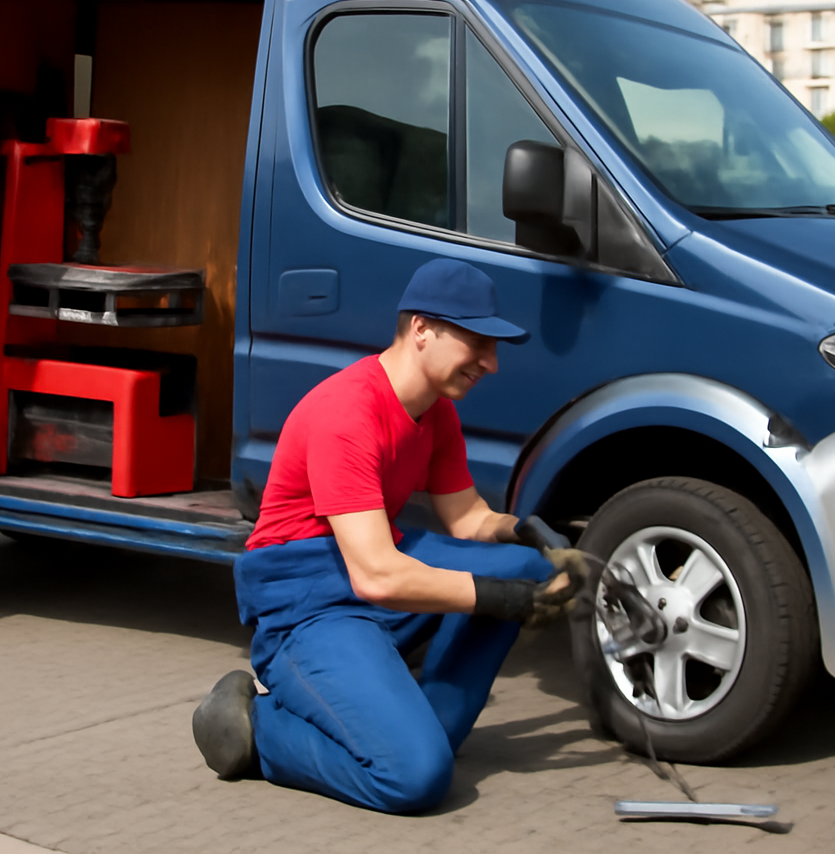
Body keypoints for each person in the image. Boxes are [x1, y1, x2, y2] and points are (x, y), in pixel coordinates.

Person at [192, 257, 585, 813]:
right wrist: (507, 601)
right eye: (478, 342)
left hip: (371, 565)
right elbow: (376, 575)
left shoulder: (435, 411)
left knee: (524, 569)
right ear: (422, 329)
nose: (492, 364)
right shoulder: (347, 412)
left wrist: (535, 535)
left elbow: (469, 520)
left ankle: (416, 721)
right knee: (413, 777)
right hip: (305, 606)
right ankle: (257, 730)